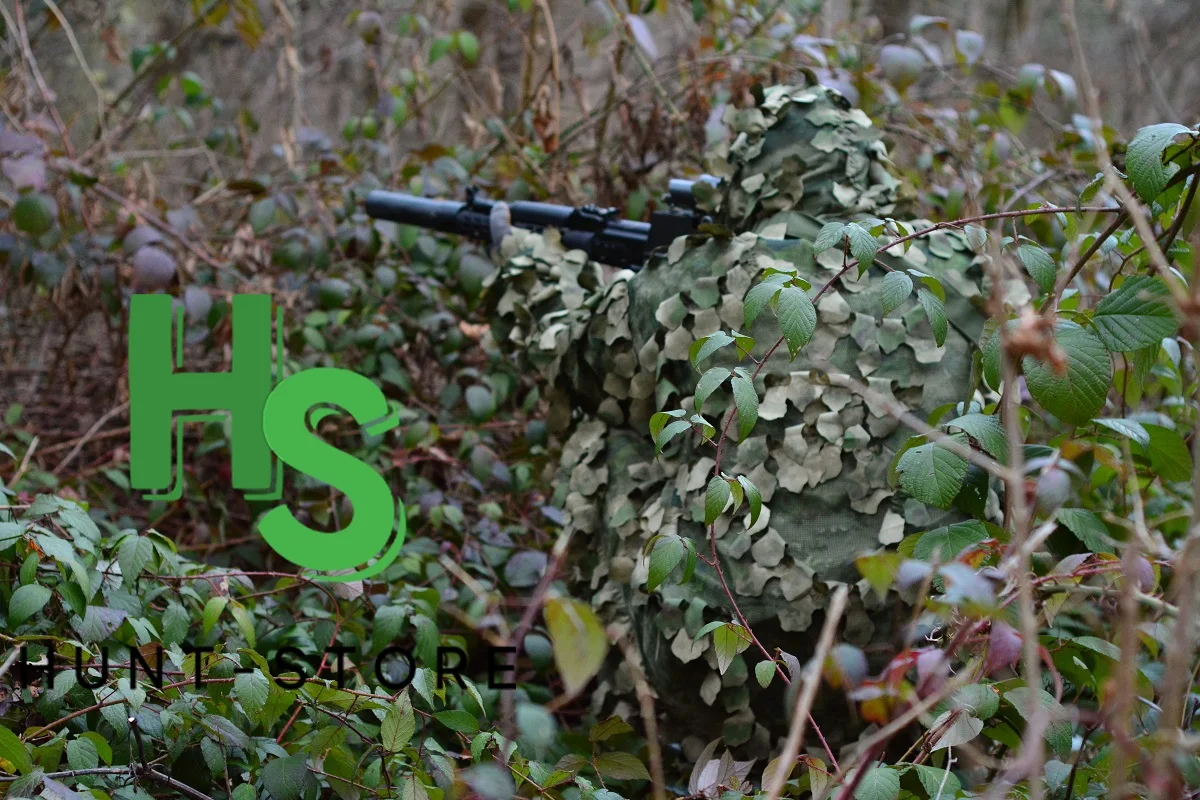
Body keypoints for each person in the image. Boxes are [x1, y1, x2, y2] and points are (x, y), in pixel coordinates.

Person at [482, 82, 986, 757]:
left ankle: (628, 710)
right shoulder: (969, 274)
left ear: (752, 176)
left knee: (611, 431)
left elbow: (565, 354)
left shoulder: (708, 272)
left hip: (722, 670)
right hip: (916, 664)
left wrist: (526, 264)